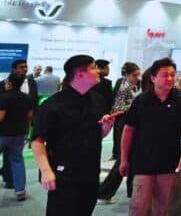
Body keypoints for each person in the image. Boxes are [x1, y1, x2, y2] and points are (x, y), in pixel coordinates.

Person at [30, 55, 119, 216]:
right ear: (79, 74)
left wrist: (107, 126)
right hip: (63, 174)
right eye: (93, 68)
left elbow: (97, 135)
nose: (98, 71)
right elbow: (37, 140)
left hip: (90, 172)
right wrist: (46, 171)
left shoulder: (98, 100)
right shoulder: (53, 105)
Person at [120, 58, 181, 216]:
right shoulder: (141, 100)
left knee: (165, 209)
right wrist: (124, 159)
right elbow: (128, 130)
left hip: (169, 162)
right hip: (143, 162)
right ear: (153, 78)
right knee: (138, 208)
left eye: (172, 75)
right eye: (165, 75)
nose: (170, 78)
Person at [98, 61, 142, 202]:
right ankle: (104, 192)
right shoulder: (123, 86)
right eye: (134, 75)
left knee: (132, 157)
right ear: (126, 75)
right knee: (124, 158)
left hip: (130, 122)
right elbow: (118, 107)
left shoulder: (130, 84)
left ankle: (131, 192)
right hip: (124, 122)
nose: (137, 77)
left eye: (138, 74)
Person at [1, 59, 38, 189]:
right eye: (21, 67)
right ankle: (15, 185)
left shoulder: (32, 83)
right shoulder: (2, 85)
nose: (24, 69)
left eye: (25, 67)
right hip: (18, 130)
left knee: (14, 157)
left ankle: (13, 182)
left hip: (10, 130)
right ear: (14, 69)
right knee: (15, 158)